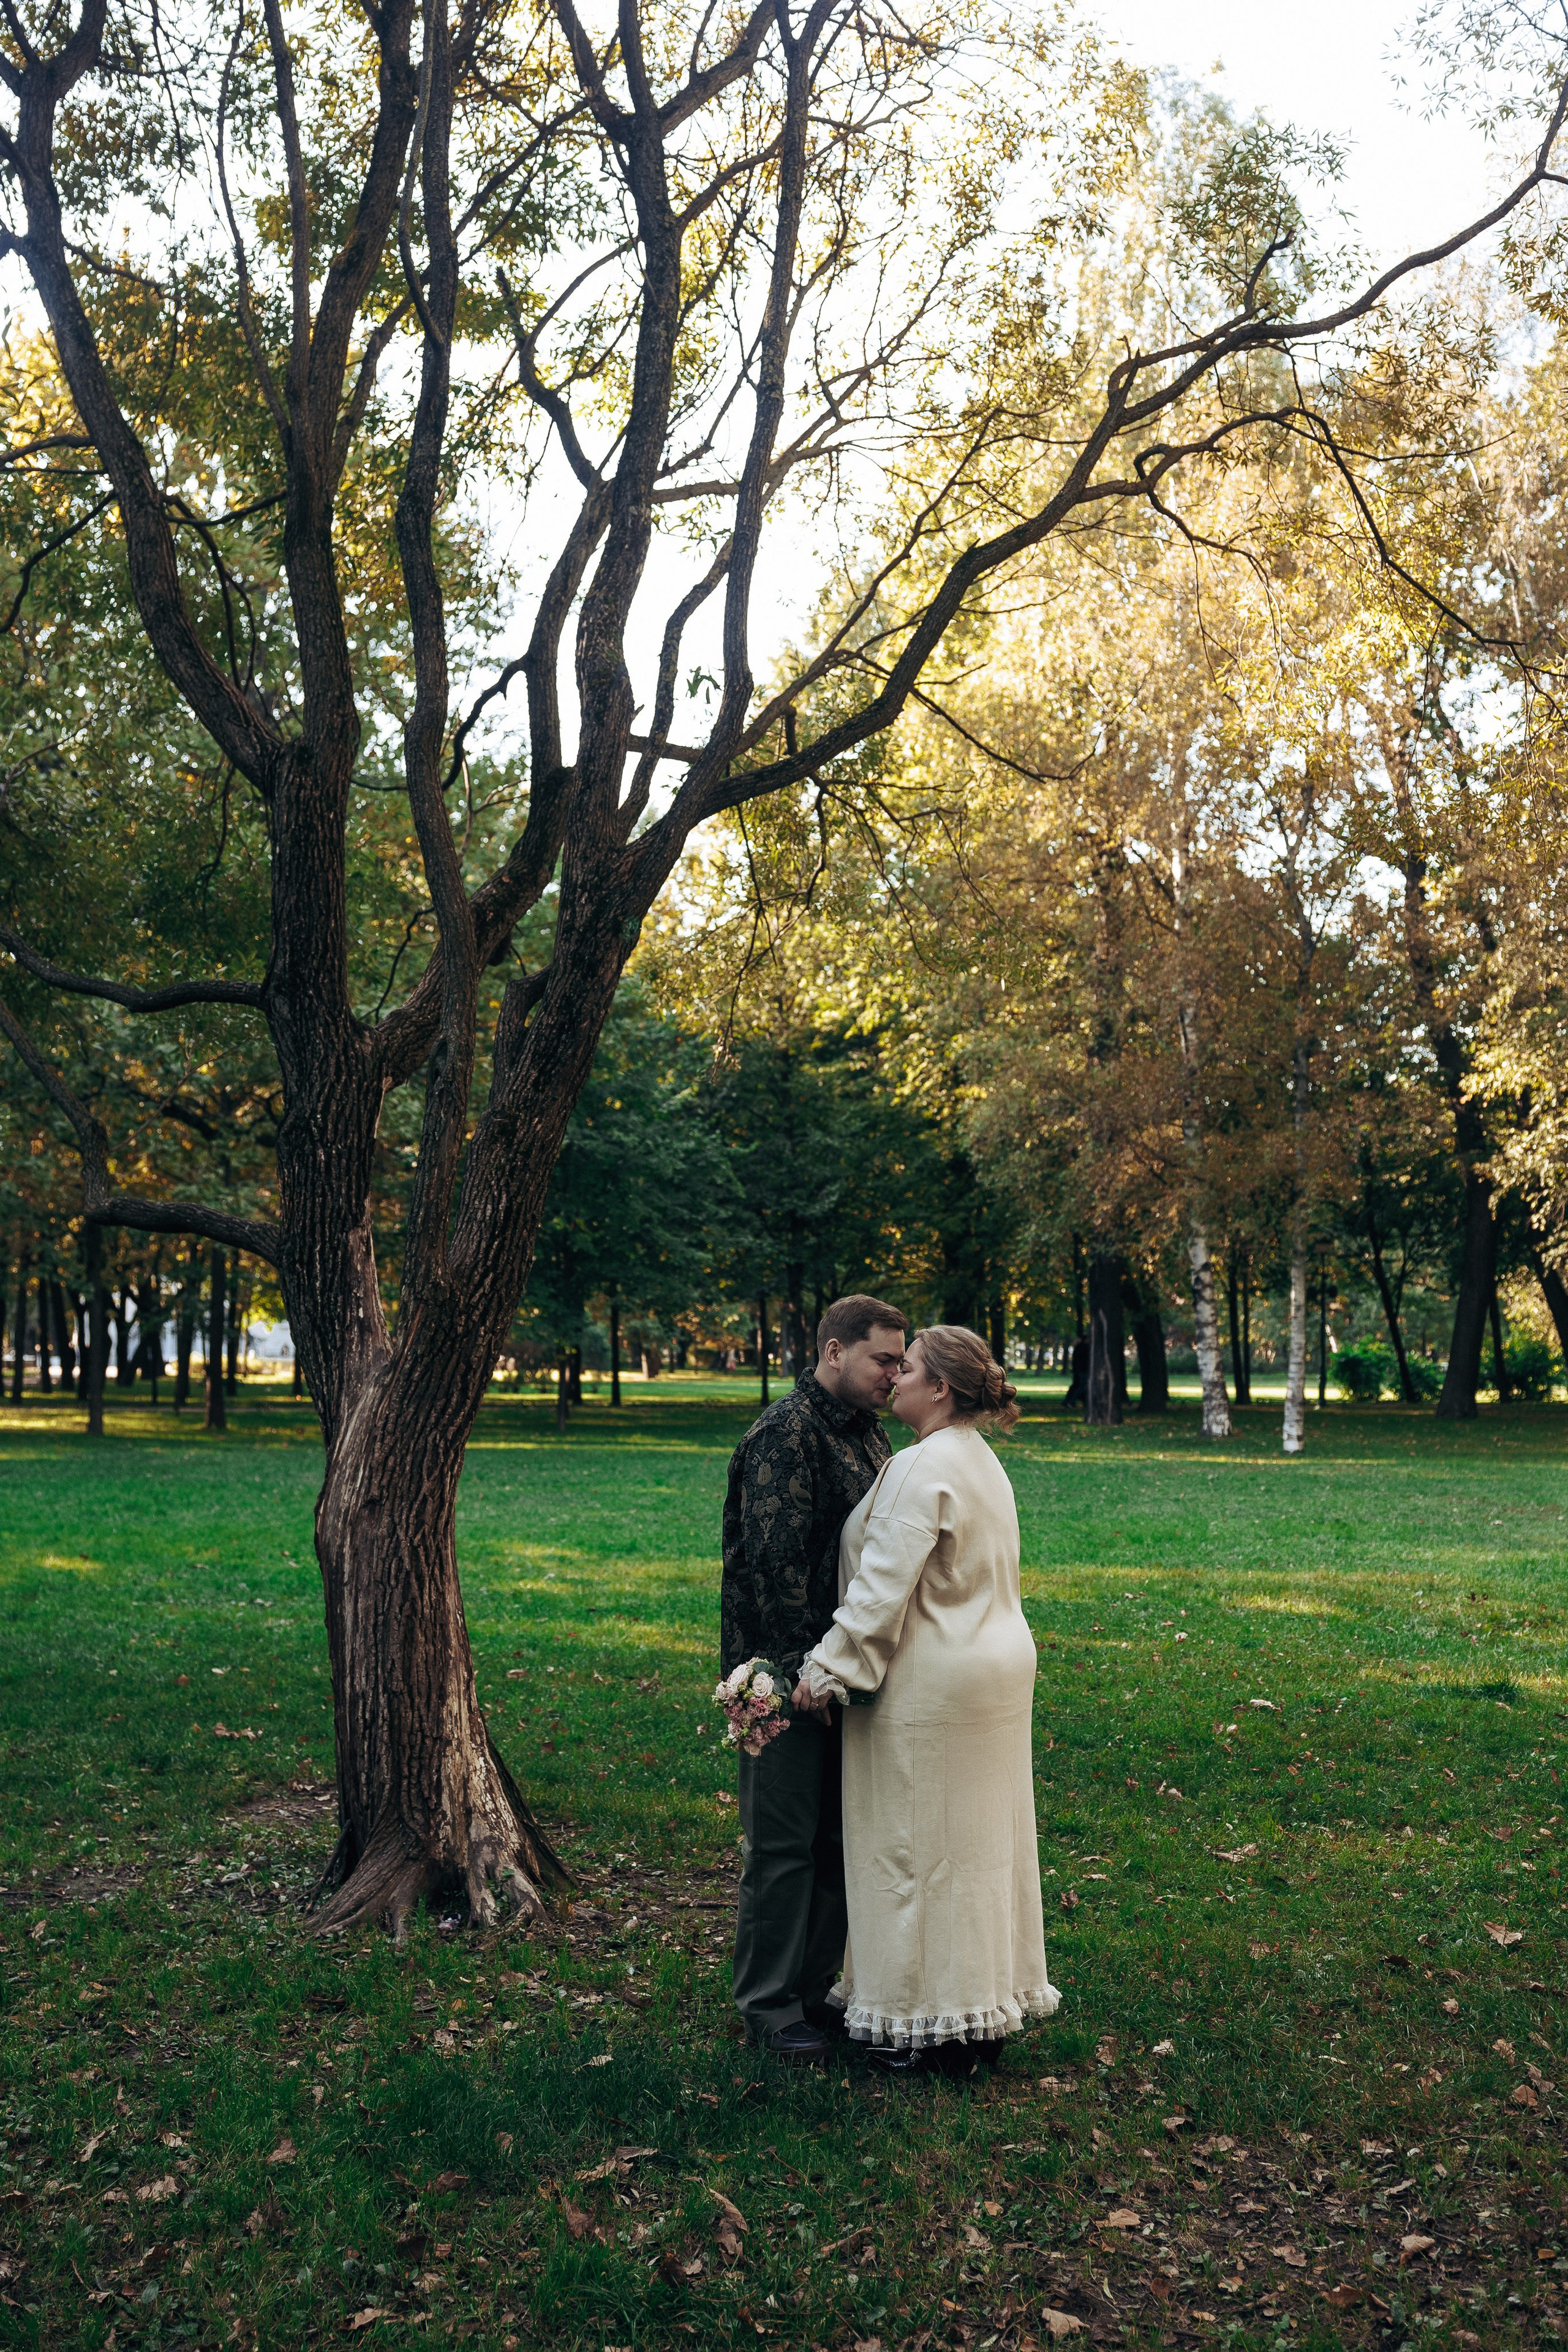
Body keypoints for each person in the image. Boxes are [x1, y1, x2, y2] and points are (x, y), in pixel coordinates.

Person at [795, 1324, 1059, 2077]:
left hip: (930, 1685)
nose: (893, 1379)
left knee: (911, 1851)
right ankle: (979, 2017)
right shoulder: (982, 1463)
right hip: (996, 1670)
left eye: (905, 1368)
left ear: (940, 1387)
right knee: (977, 1852)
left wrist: (826, 1671)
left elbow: (882, 1590)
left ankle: (922, 2025)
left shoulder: (922, 1466)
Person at [722, 1293, 907, 2064]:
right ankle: (766, 2003)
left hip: (841, 1674)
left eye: (902, 1362)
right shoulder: (783, 1437)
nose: (894, 1375)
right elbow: (773, 1574)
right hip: (781, 1680)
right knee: (782, 1846)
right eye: (882, 1359)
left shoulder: (867, 1432)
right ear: (835, 1352)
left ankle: (809, 1990)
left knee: (838, 1841)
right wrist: (808, 1678)